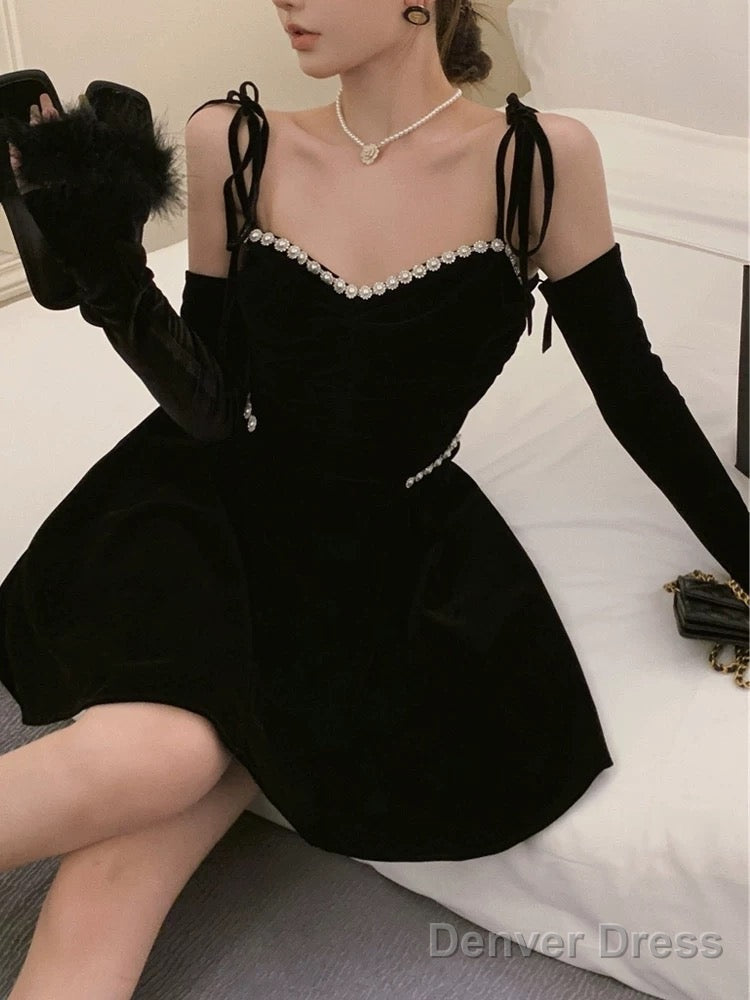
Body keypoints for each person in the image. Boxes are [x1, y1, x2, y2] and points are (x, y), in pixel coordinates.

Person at [0, 1, 747, 996]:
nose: (287, 0)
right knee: (165, 759)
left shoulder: (539, 162)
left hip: (380, 558)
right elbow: (210, 402)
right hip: (211, 510)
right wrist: (113, 278)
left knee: (124, 860)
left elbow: (636, 394)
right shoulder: (233, 138)